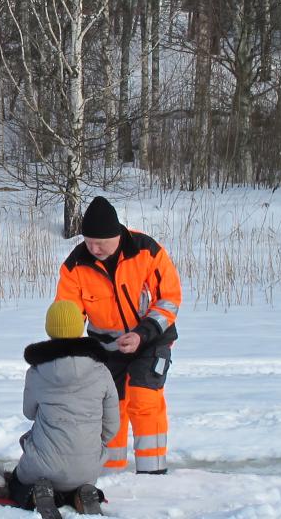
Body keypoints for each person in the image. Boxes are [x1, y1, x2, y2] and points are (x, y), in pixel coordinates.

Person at [54, 196, 181, 475]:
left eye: (100, 242)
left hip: (152, 340)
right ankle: (111, 473)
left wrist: (141, 334)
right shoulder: (75, 265)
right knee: (111, 406)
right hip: (107, 348)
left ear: (117, 235)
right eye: (88, 242)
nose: (93, 248)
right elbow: (67, 314)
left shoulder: (147, 251)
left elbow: (169, 300)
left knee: (143, 397)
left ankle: (153, 472)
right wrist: (66, 351)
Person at [0, 300, 119, 518]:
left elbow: (29, 412)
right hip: (88, 466)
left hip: (42, 465)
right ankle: (82, 494)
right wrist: (95, 443)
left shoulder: (37, 371)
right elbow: (112, 424)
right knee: (76, 476)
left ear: (49, 329)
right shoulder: (101, 371)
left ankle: (38, 494)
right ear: (80, 327)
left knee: (17, 484)